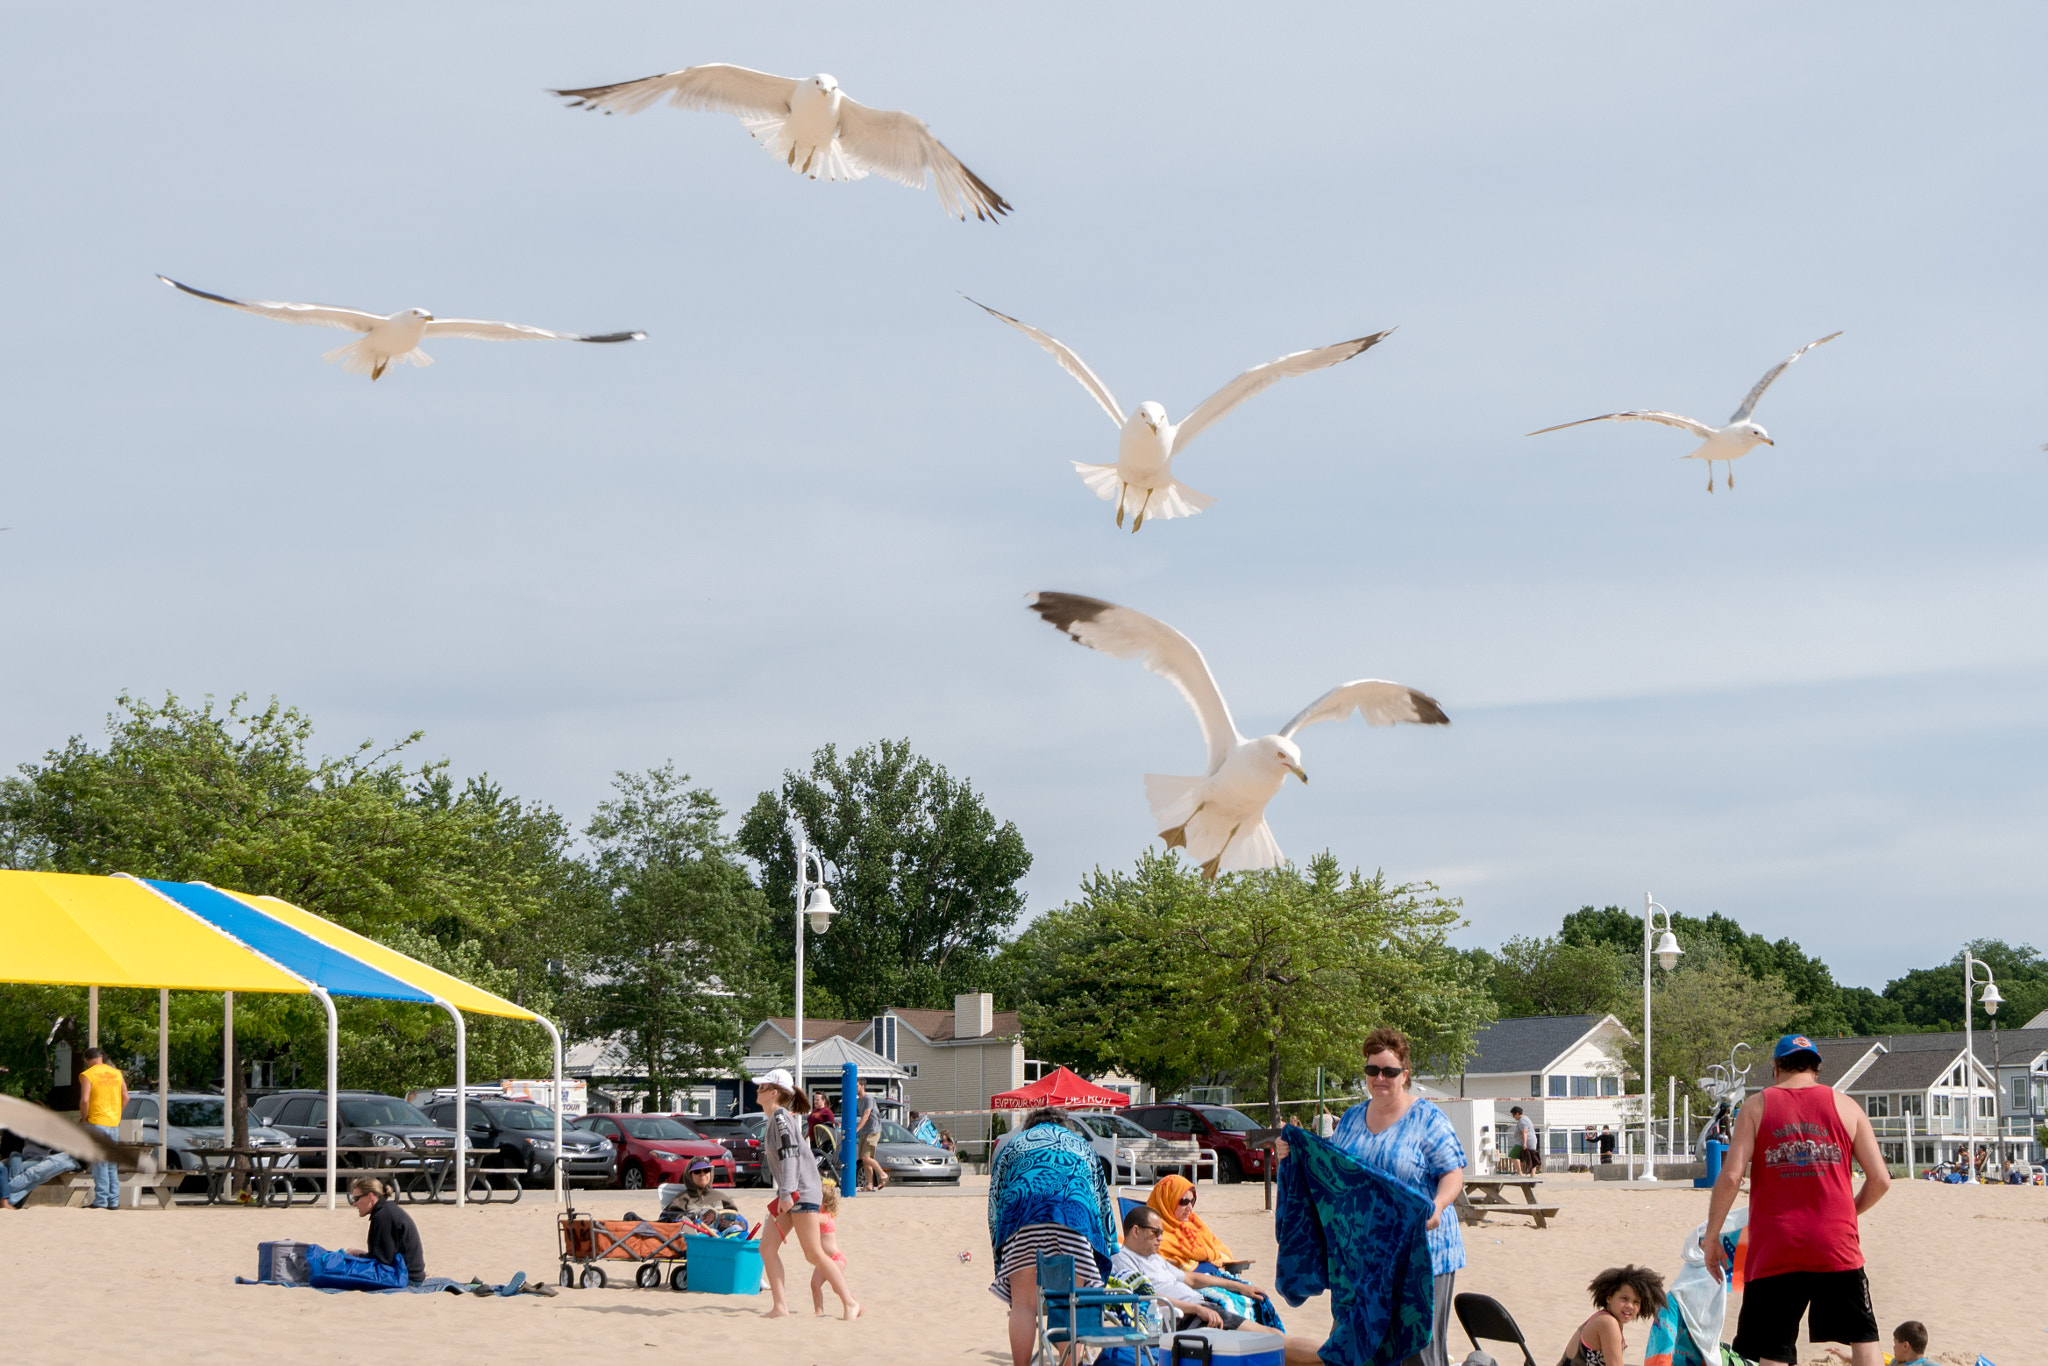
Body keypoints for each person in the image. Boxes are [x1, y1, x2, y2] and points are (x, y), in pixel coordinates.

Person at [1279, 1026, 1467, 1366]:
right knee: (1356, 1344)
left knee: (1417, 1351)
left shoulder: (1428, 1118)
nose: (1380, 1078)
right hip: (1364, 1260)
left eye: (1389, 1071)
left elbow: (1453, 1173)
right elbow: (1331, 1174)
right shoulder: (1350, 1118)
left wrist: (1437, 1206)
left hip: (1424, 1254)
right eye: (1372, 1070)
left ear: (1405, 1074)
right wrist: (1293, 1154)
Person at [1704, 1035, 1891, 1366]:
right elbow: (1880, 1180)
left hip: (1776, 1245)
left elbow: (1731, 1177)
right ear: (1816, 1069)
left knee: (1772, 1347)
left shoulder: (1756, 1106)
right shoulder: (1846, 1105)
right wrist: (1849, 1213)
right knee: (1863, 1335)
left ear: (1775, 1068)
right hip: (1835, 1242)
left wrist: (1713, 1236)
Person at [986, 1107, 1118, 1366]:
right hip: (1073, 1214)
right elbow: (1101, 1199)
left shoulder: (1013, 1145)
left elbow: (995, 1202)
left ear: (1030, 1126)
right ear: (1064, 1125)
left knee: (1024, 1306)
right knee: (1071, 1301)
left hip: (1022, 1217)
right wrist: (1107, 1244)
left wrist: (1000, 1248)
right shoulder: (1080, 1144)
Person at [1112, 1204, 1324, 1363]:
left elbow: (1193, 1278)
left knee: (1274, 1347)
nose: (1160, 1238)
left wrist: (1240, 1287)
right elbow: (1146, 1298)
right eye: (1155, 1232)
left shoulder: (1155, 1258)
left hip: (1203, 1308)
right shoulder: (1122, 1261)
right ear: (1136, 1231)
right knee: (1274, 1340)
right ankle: (1340, 1354)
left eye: (1162, 1233)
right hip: (1187, 1317)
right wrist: (1196, 1308)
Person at [756, 1067, 859, 1320]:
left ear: (772, 1092)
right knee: (766, 1248)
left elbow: (790, 1155)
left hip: (799, 1193)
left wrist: (787, 1193)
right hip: (791, 1193)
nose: (756, 1090)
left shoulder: (780, 1116)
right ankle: (780, 1307)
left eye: (761, 1087)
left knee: (813, 1253)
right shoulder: (776, 1117)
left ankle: (850, 1302)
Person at [1556, 1265, 1667, 1366]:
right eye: (1624, 1299)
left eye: (1636, 1302)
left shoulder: (1604, 1318)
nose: (1630, 1306)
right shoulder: (1608, 1323)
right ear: (1609, 1298)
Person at [1145, 1173, 1246, 1272]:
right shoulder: (1153, 1234)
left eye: (1192, 1201)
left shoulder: (1195, 1224)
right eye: (1183, 1202)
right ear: (1167, 1202)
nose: (1189, 1208)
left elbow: (1224, 1251)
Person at [346, 1176, 426, 1286]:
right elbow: (385, 1255)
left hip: (405, 1277)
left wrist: (360, 1256)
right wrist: (361, 1253)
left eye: (356, 1199)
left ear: (370, 1196)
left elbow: (383, 1262)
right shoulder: (386, 1210)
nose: (354, 1204)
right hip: (408, 1273)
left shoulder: (383, 1217)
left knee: (346, 1270)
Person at [75, 1048, 127, 1210]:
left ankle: (101, 1200)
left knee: (100, 1163)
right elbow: (126, 1097)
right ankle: (114, 1201)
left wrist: (85, 1118)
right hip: (113, 1122)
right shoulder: (116, 1073)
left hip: (97, 1121)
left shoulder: (88, 1074)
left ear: (86, 1060)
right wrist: (117, 1113)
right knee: (111, 1163)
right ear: (101, 1057)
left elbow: (84, 1100)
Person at [660, 1156, 742, 1233]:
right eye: (697, 1171)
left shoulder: (720, 1196)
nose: (702, 1174)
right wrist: (693, 1222)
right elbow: (671, 1218)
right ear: (690, 1176)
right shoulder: (683, 1198)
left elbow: (737, 1217)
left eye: (706, 1170)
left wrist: (732, 1223)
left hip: (722, 1237)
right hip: (695, 1237)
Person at [2, 1140, 81, 1209]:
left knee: (32, 1174)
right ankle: (8, 1200)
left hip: (64, 1158)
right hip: (44, 1156)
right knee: (14, 1162)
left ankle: (4, 1198)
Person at [809, 1184, 850, 1315]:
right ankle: (818, 1312)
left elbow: (812, 1219)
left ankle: (854, 1304)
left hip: (835, 1258)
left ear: (825, 1202)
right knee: (815, 1285)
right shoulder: (820, 1214)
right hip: (823, 1259)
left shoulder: (825, 1216)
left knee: (837, 1287)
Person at [854, 1082, 887, 1191]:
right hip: (865, 1131)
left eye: (857, 1086)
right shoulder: (858, 1101)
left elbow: (866, 1115)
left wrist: (857, 1129)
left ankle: (883, 1175)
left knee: (866, 1157)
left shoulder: (869, 1099)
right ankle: (870, 1184)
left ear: (862, 1086)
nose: (855, 1088)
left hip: (873, 1130)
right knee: (865, 1160)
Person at [1509, 1105, 1536, 1176]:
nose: (1513, 1117)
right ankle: (1532, 1176)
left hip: (1523, 1142)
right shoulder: (1526, 1118)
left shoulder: (1522, 1120)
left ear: (1517, 1113)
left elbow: (1524, 1132)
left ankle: (1520, 1173)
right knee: (1531, 1159)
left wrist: (1524, 1144)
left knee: (1513, 1155)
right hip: (1531, 1141)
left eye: (1513, 1115)